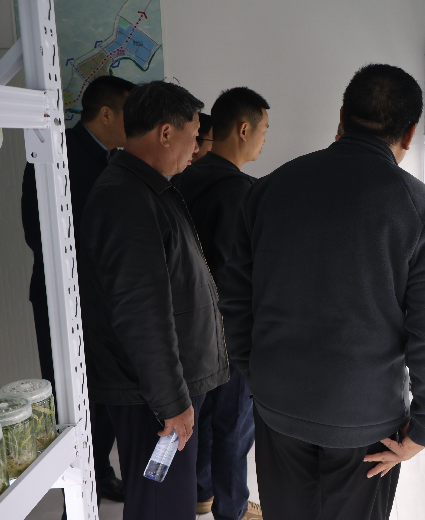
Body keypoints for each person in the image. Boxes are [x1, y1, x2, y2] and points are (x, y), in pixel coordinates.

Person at [219, 64, 425, 520]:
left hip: (279, 407)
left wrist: (260, 372)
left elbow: (234, 300)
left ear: (341, 118)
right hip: (367, 424)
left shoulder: (268, 191)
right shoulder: (422, 209)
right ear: (409, 134)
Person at [78, 81, 229, 520]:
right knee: (163, 507)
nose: (197, 148)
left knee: (169, 502)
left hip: (162, 388)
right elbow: (141, 311)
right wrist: (171, 402)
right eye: (194, 135)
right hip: (153, 395)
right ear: (165, 133)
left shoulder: (145, 188)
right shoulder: (126, 197)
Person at [20, 75, 136, 504]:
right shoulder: (56, 154)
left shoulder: (114, 158)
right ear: (105, 114)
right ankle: (76, 493)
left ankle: (98, 472)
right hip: (64, 301)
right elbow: (39, 233)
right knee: (71, 399)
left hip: (104, 302)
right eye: (129, 113)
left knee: (103, 393)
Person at [173, 87, 269, 520]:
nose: (264, 140)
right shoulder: (245, 193)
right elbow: (237, 273)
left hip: (185, 328)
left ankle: (201, 492)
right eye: (263, 130)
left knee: (200, 416)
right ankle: (232, 508)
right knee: (234, 422)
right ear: (243, 129)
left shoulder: (182, 180)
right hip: (230, 331)